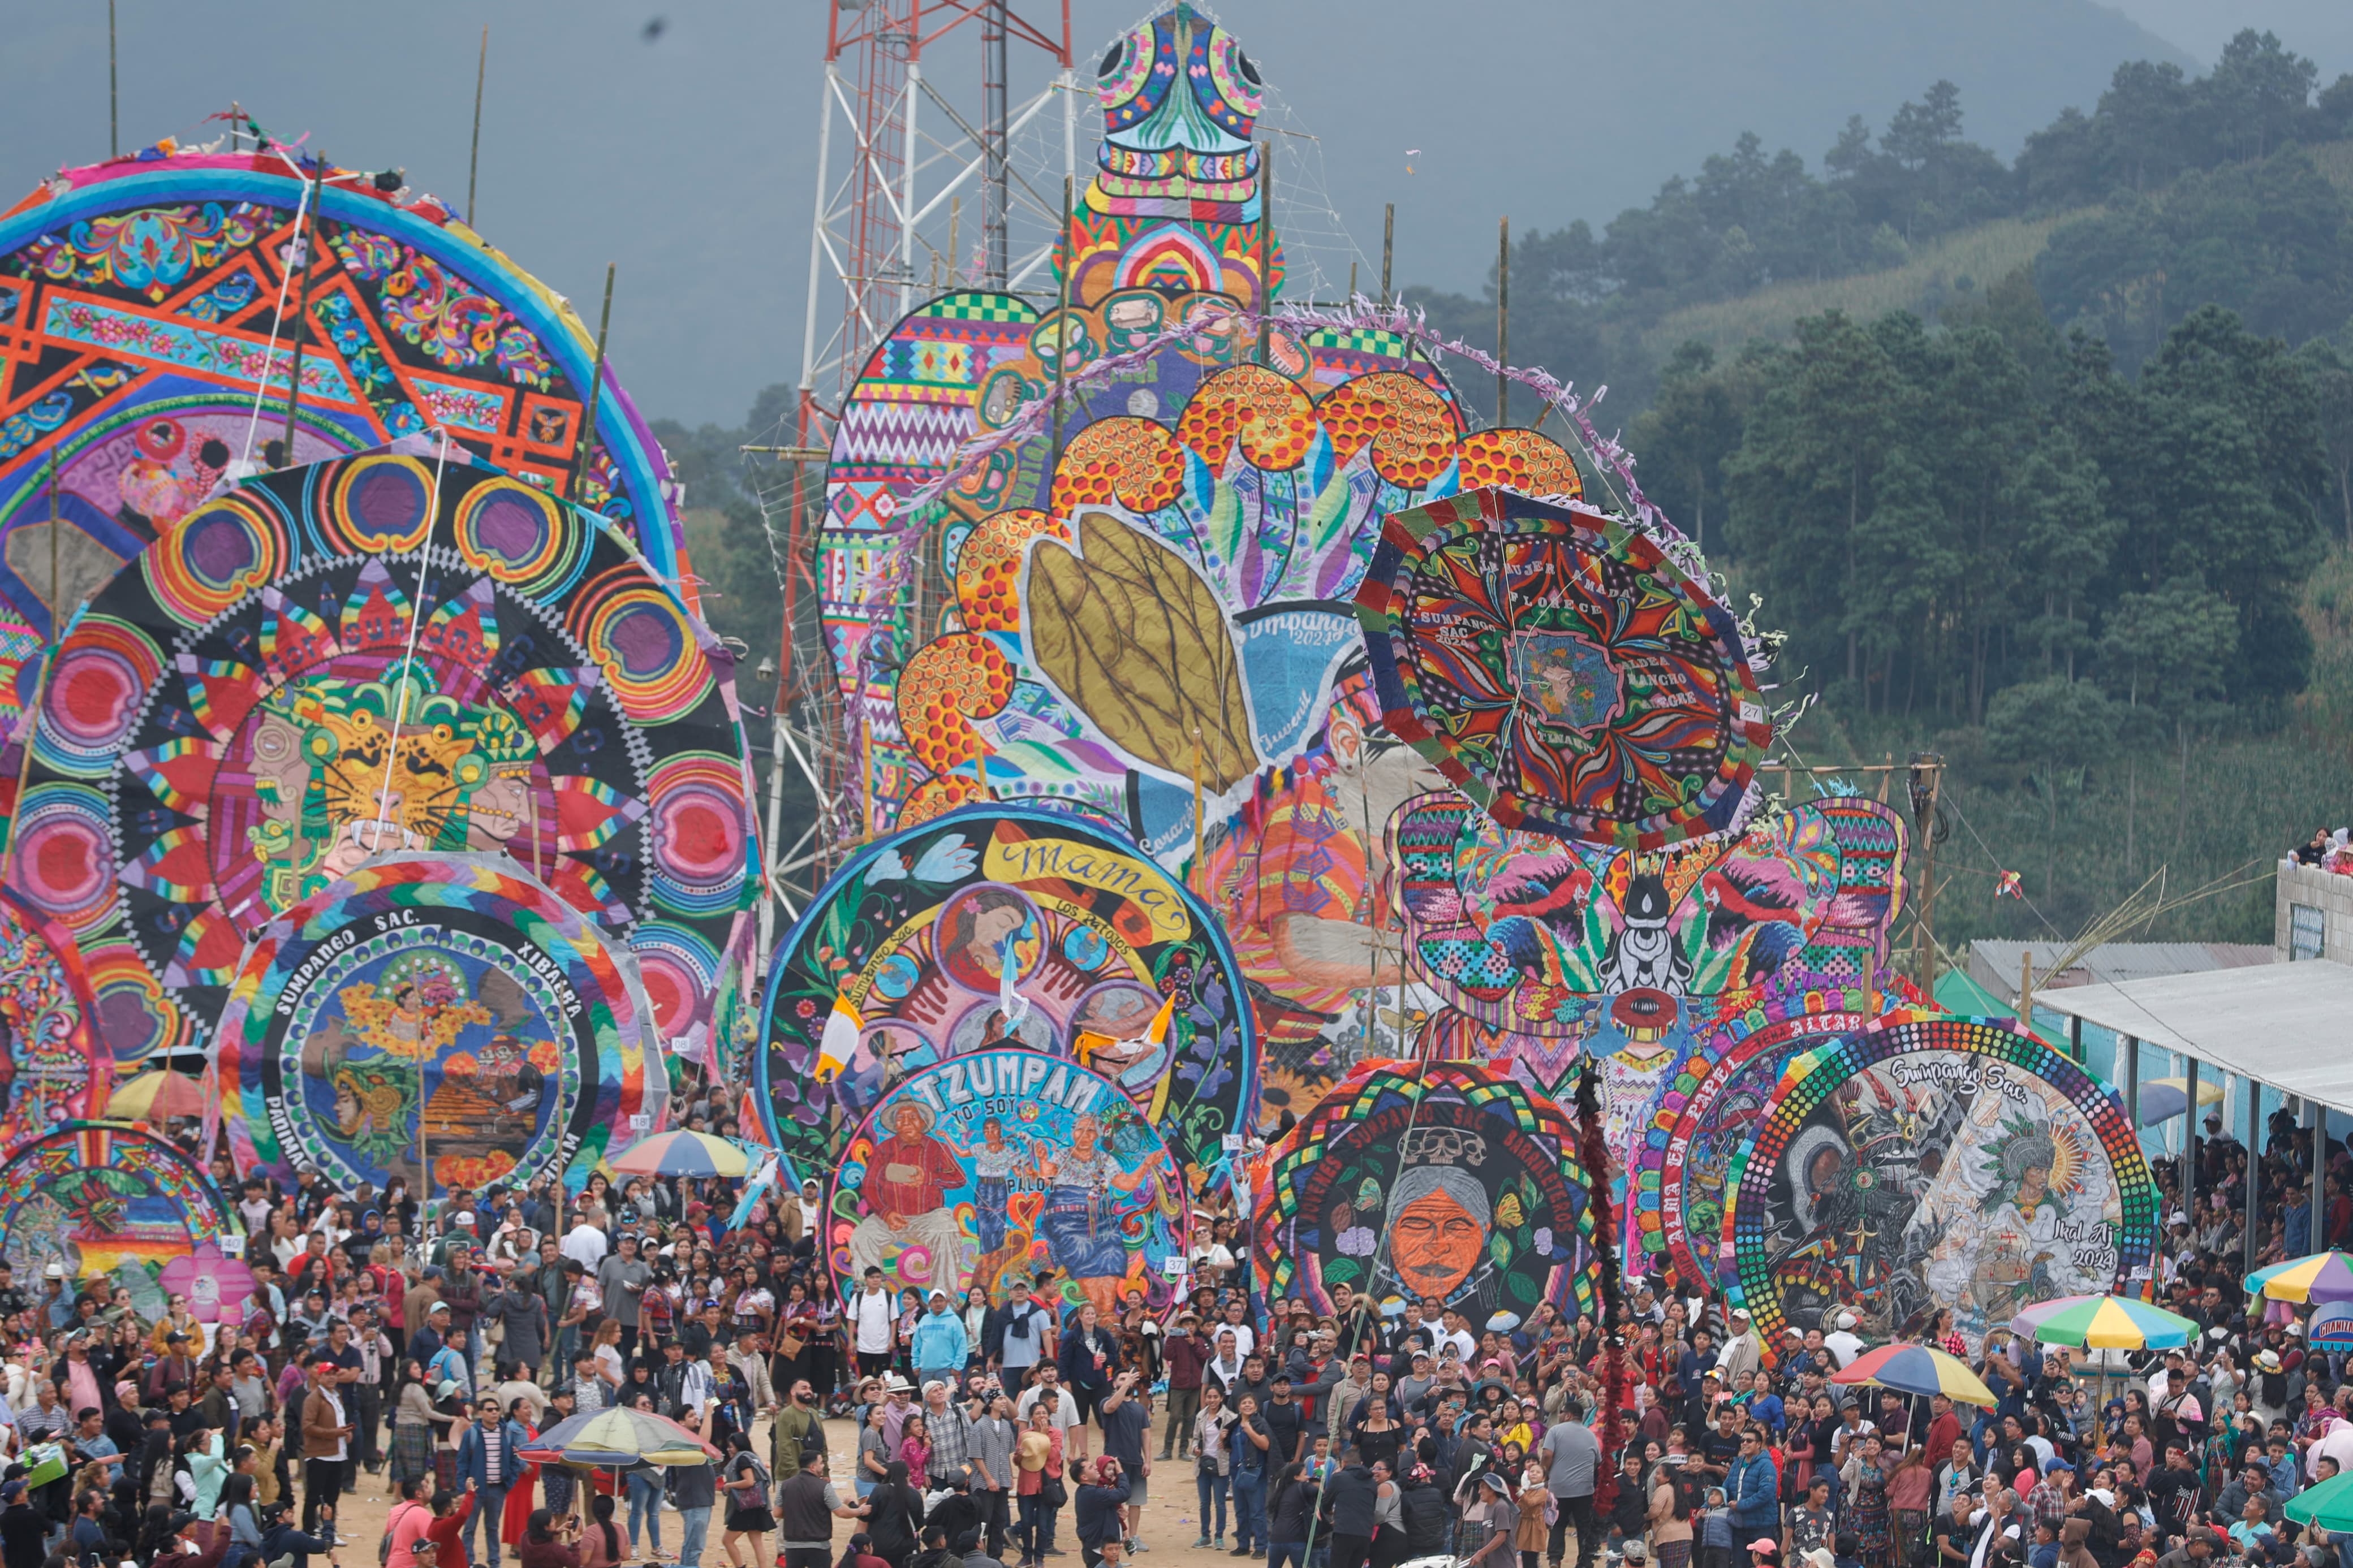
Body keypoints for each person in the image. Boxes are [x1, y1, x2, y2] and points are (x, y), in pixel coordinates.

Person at [455, 1396, 529, 1568]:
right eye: (490, 1410)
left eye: (496, 1409)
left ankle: (494, 1563)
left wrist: (508, 1483)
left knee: (493, 1528)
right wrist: (462, 1489)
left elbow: (514, 1460)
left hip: (497, 1489)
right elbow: (462, 1462)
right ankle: (468, 1562)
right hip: (475, 1490)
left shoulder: (506, 1434)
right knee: (470, 1528)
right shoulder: (471, 1434)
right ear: (481, 1413)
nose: (494, 1413)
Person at [779, 1445, 870, 1568]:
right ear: (812, 1467)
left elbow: (777, 1513)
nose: (823, 1466)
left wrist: (796, 1512)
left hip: (792, 1545)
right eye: (821, 1463)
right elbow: (841, 1512)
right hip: (818, 1546)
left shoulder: (785, 1486)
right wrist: (860, 1510)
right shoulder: (824, 1487)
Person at [723, 1430, 778, 1568]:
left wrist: (729, 1485)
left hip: (745, 1507)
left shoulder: (742, 1460)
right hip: (758, 1504)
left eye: (731, 1447)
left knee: (728, 1541)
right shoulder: (752, 1457)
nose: (729, 1450)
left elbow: (749, 1482)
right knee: (757, 1542)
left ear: (739, 1446)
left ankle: (740, 1566)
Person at [1071, 1459, 1130, 1568]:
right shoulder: (1093, 1493)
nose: (1096, 1467)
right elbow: (1125, 1493)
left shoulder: (1088, 1492)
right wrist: (1120, 1472)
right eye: (1090, 1467)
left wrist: (1115, 1515)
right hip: (1099, 1551)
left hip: (1102, 1548)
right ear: (1084, 1477)